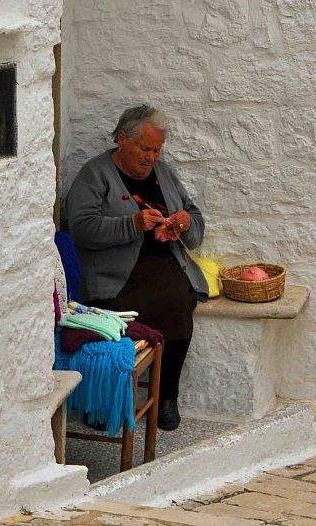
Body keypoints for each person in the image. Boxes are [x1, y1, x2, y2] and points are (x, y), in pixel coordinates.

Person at [63, 105, 208, 431]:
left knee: (177, 300)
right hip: (114, 276)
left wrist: (182, 223)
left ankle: (167, 396)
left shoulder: (165, 174)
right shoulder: (95, 175)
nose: (151, 157)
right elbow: (81, 228)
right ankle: (108, 400)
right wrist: (133, 224)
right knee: (132, 309)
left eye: (156, 150)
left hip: (163, 264)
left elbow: (193, 217)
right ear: (121, 138)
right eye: (145, 148)